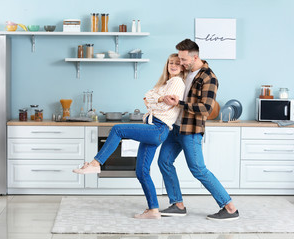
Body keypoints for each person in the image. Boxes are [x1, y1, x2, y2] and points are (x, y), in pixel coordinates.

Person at [73, 53, 186, 219]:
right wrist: (159, 98)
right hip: (154, 127)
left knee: (118, 129)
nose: (174, 65)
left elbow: (168, 105)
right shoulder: (165, 83)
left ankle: (96, 163)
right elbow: (147, 98)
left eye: (177, 63)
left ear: (183, 66)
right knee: (142, 171)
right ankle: (153, 210)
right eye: (171, 62)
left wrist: (157, 99)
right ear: (167, 64)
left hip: (159, 128)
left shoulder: (176, 81)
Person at [157, 39, 239, 220]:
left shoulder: (209, 77)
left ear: (195, 57)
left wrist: (180, 103)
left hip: (191, 130)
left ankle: (229, 207)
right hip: (175, 128)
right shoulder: (184, 73)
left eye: (184, 59)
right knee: (164, 162)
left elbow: (206, 109)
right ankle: (177, 205)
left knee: (198, 169)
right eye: (179, 58)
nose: (181, 63)